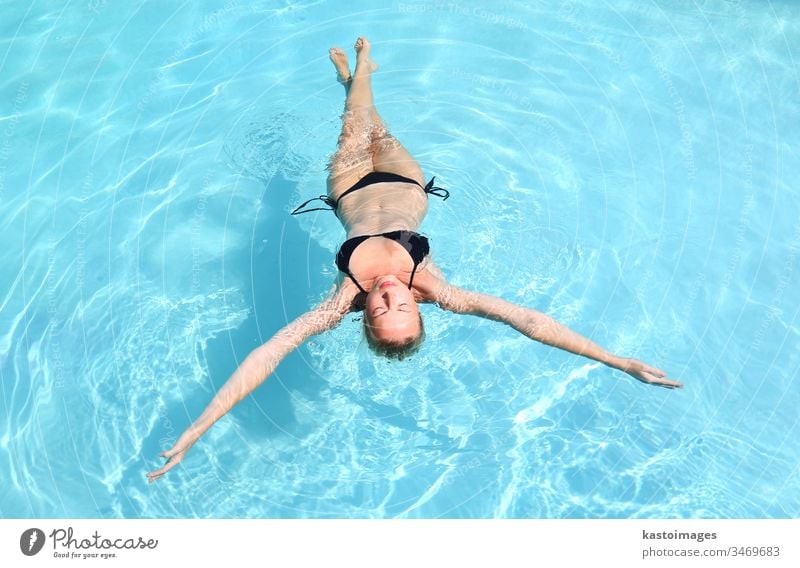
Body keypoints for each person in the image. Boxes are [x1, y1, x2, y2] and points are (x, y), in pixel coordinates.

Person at [146, 37, 682, 483]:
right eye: (401, 306)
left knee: (357, 119)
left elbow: (268, 355)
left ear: (367, 319)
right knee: (376, 122)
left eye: (380, 311)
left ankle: (359, 72)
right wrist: (618, 361)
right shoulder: (440, 289)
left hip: (348, 183)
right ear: (420, 308)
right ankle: (358, 75)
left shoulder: (340, 302)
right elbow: (529, 322)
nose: (386, 295)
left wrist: (197, 429)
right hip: (407, 182)